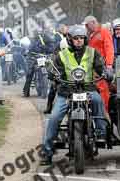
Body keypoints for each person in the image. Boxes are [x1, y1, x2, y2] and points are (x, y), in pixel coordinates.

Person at [40, 25, 108, 165]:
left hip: (88, 88)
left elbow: (101, 67)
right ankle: (47, 152)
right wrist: (52, 74)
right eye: (76, 38)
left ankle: (101, 133)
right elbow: (55, 69)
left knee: (98, 101)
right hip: (67, 91)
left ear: (85, 39)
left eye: (81, 38)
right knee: (54, 117)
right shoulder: (61, 55)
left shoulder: (92, 52)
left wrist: (106, 72)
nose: (79, 41)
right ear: (70, 39)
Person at [84, 15, 115, 113]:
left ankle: (103, 114)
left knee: (102, 90)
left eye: (87, 25)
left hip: (100, 67)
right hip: (89, 67)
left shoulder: (104, 32)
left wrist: (109, 65)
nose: (86, 27)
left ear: (93, 23)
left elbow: (109, 49)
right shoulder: (90, 34)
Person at [22, 27, 56, 97]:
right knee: (29, 73)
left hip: (45, 57)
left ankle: (54, 87)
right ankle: (26, 91)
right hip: (34, 58)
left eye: (39, 32)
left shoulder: (47, 38)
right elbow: (30, 49)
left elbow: (52, 48)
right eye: (36, 33)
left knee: (54, 71)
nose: (38, 34)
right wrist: (28, 53)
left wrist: (45, 48)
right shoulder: (33, 40)